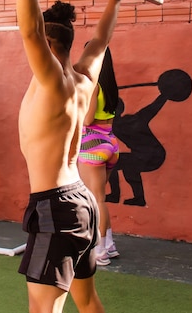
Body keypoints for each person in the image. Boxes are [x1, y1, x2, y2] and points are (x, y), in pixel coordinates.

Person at [15, 0, 132, 313]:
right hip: (80, 202)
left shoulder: (53, 81)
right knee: (86, 300)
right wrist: (115, 0)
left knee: (42, 309)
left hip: (56, 208)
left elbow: (31, 32)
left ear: (50, 45)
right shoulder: (83, 81)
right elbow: (100, 41)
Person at [78, 47, 121, 266]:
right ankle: (109, 244)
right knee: (100, 198)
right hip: (112, 143)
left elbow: (87, 120)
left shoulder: (93, 85)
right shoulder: (110, 85)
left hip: (92, 144)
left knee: (96, 199)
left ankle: (100, 250)